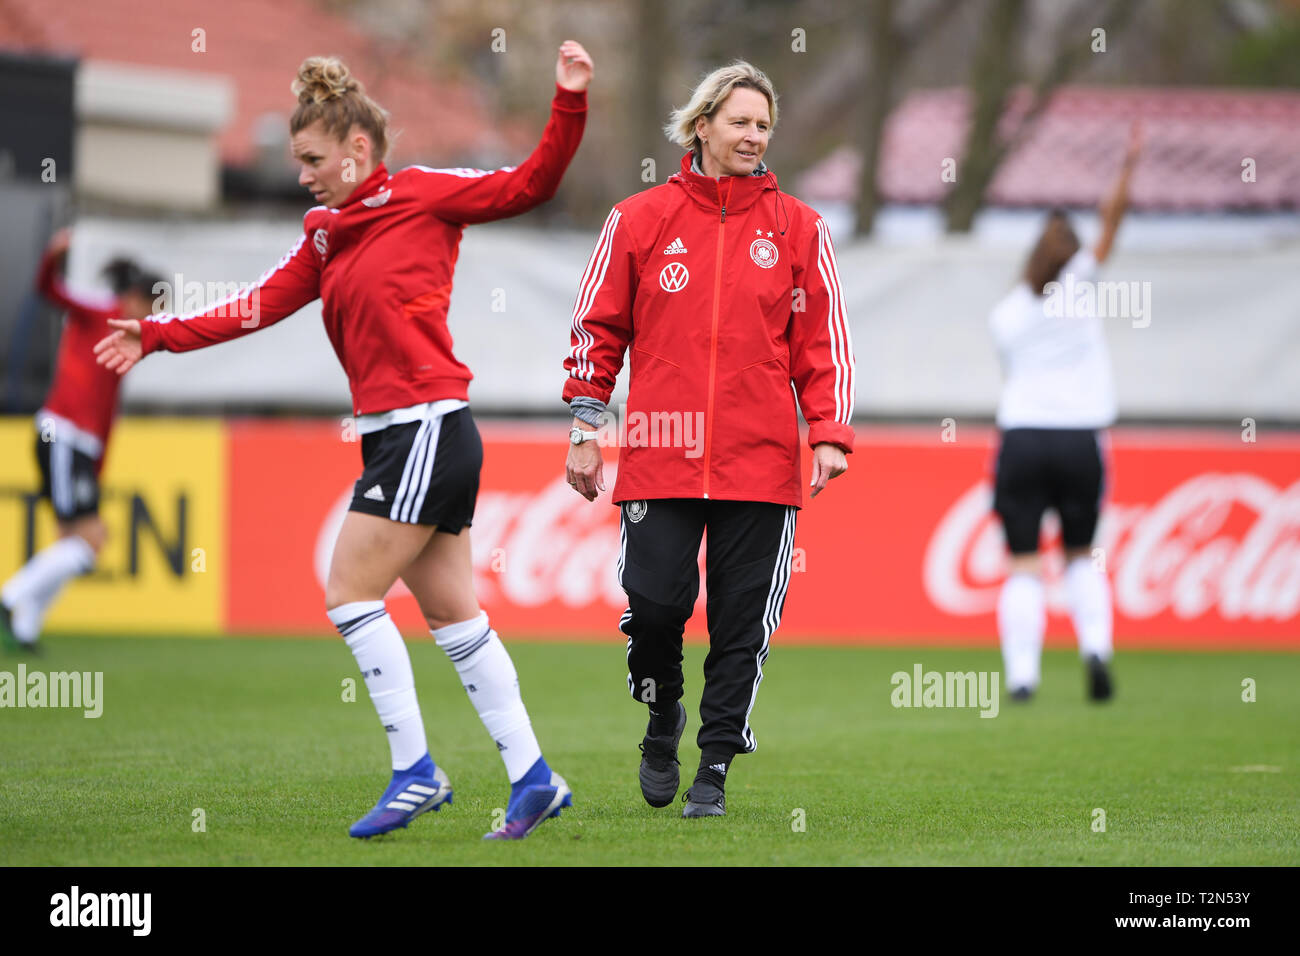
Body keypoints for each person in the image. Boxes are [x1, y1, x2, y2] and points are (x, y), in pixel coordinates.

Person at [95, 43, 595, 840]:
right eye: (299, 161)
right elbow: (254, 306)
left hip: (426, 427)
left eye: (313, 158)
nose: (302, 174)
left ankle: (416, 773)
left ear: (359, 150)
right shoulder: (326, 233)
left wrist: (568, 99)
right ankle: (533, 779)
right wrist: (156, 334)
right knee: (455, 620)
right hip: (404, 438)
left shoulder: (424, 194)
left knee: (349, 593)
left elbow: (530, 181)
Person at [562, 61, 855, 817]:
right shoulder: (637, 220)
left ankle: (715, 768)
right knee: (655, 608)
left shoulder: (801, 228)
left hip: (759, 462)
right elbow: (598, 330)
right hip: (659, 449)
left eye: (763, 125)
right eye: (740, 122)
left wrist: (827, 435)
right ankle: (662, 718)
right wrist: (585, 428)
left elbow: (820, 343)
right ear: (702, 126)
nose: (754, 136)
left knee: (741, 625)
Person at [988, 122, 1142, 703]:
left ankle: (1023, 676)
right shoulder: (1080, 284)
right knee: (1081, 555)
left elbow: (1010, 374)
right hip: (1081, 439)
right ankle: (1095, 650)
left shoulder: (1007, 312)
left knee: (1024, 563)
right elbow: (1113, 219)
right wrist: (1128, 165)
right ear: (1071, 252)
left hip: (1024, 437)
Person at [1, 230, 162, 654]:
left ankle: (25, 628)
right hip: (62, 434)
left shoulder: (126, 343)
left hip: (79, 447)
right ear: (134, 299)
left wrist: (99, 460)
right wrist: (52, 254)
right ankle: (11, 598)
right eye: (153, 307)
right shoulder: (100, 313)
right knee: (89, 542)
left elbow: (107, 407)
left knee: (71, 539)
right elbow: (46, 289)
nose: (153, 318)